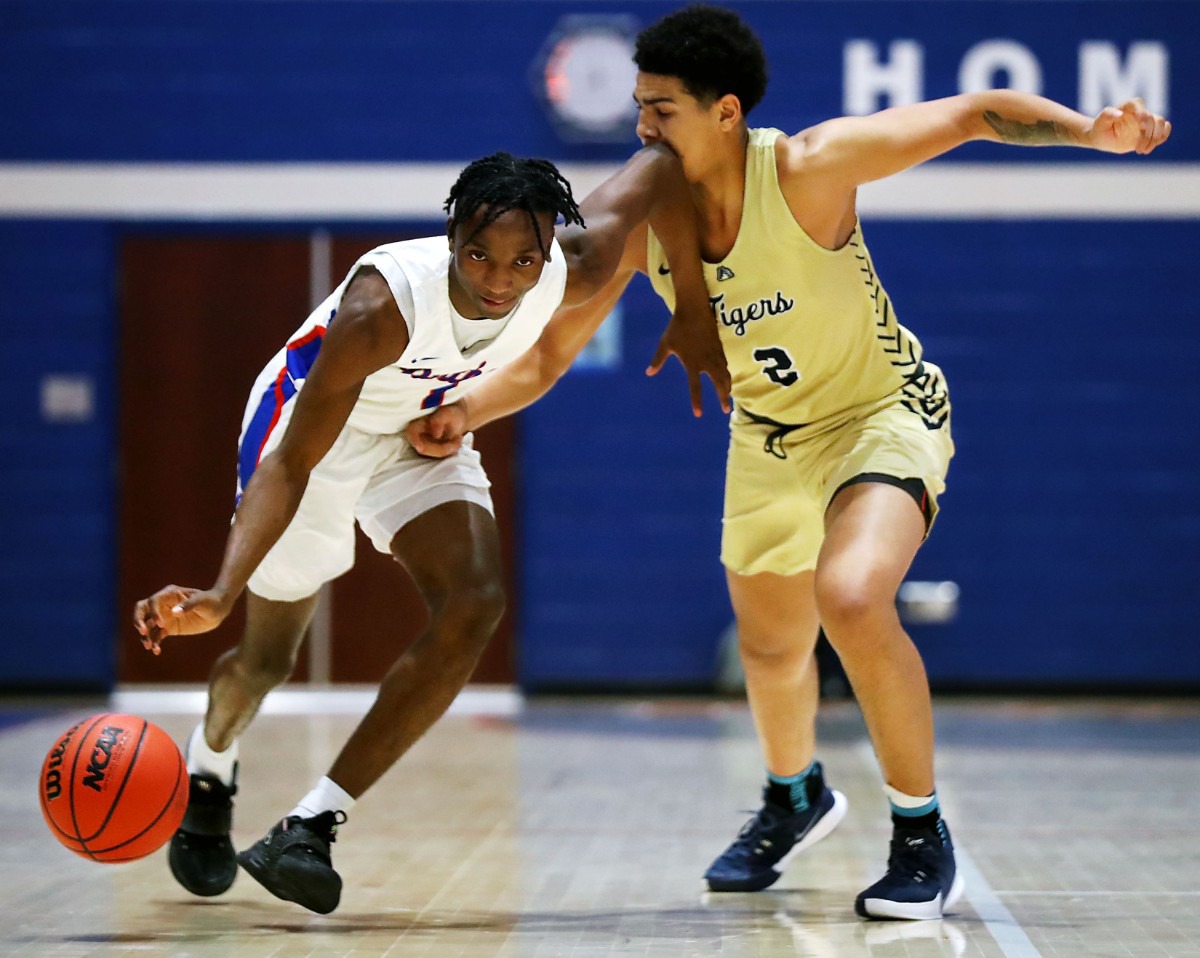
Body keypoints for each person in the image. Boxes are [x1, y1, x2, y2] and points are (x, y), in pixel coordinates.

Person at [405, 3, 1171, 921]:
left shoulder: (809, 168)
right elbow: (545, 358)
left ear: (726, 112)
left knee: (850, 596)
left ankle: (920, 829)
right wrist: (461, 411)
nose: (642, 127)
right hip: (767, 438)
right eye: (640, 108)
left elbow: (972, 112)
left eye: (662, 109)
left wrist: (1092, 131)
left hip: (879, 415)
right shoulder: (650, 223)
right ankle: (792, 796)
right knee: (772, 648)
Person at [132, 147, 726, 915]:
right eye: (478, 254)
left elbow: (662, 172)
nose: (499, 279)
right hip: (310, 432)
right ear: (451, 235)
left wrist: (692, 304)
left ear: (551, 246)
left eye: (522, 260)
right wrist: (220, 589)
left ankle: (310, 825)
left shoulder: (573, 266)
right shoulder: (384, 309)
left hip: (411, 430)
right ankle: (210, 774)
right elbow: (294, 461)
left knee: (476, 601)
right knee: (268, 660)